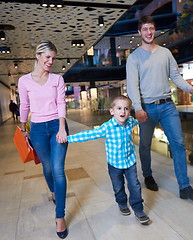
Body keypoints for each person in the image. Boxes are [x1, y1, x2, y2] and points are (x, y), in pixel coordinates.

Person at [126, 15, 193, 201]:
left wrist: (189, 88)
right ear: (139, 32)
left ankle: (184, 187)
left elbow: (175, 76)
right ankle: (147, 175)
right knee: (144, 145)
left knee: (178, 144)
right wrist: (137, 107)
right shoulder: (134, 58)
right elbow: (132, 86)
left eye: (151, 28)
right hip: (146, 107)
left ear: (155, 30)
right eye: (144, 29)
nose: (148, 32)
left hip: (167, 106)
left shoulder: (165, 53)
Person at [67, 95, 150, 225]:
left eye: (126, 109)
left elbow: (140, 119)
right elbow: (89, 134)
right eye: (119, 108)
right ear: (112, 111)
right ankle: (122, 203)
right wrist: (69, 139)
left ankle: (138, 209)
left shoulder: (131, 121)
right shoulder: (107, 127)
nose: (122, 112)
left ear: (129, 111)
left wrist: (145, 117)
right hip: (114, 164)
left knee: (134, 185)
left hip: (130, 162)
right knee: (118, 186)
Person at [18, 40, 69, 239]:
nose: (50, 61)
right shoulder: (24, 81)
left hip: (57, 126)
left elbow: (61, 104)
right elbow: (24, 106)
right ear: (38, 56)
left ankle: (60, 217)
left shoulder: (57, 79)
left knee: (58, 170)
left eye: (53, 58)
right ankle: (54, 192)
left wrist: (63, 128)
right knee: (47, 168)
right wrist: (23, 129)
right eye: (47, 57)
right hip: (37, 130)